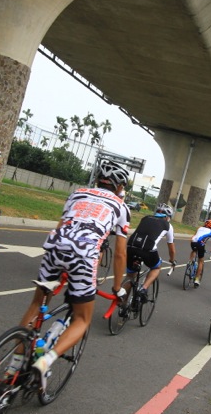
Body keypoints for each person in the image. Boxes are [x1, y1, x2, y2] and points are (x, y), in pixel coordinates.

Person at [12, 159, 131, 385]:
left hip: (55, 246)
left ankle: (14, 364)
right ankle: (45, 362)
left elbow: (62, 225)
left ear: (97, 180)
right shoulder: (121, 207)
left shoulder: (77, 194)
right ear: (119, 187)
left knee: (37, 304)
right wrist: (117, 288)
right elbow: (120, 254)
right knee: (82, 319)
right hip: (85, 253)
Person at [124, 203, 177, 304]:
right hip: (148, 249)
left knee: (130, 276)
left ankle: (122, 304)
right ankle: (143, 289)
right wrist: (172, 260)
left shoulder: (145, 218)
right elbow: (171, 249)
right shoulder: (168, 225)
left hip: (131, 246)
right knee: (156, 267)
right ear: (167, 217)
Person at [189, 219, 211, 288]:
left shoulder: (199, 228)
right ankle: (197, 279)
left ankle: (190, 262)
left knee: (194, 250)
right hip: (200, 244)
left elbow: (195, 235)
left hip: (193, 241)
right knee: (201, 261)